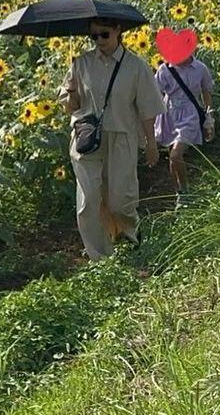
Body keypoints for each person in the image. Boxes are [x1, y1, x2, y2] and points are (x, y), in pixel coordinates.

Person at [59, 18, 165, 260]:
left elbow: (147, 108)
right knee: (88, 201)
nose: (98, 41)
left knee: (120, 201)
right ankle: (100, 257)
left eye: (104, 35)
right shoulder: (81, 64)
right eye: (93, 36)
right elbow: (70, 104)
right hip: (86, 138)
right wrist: (71, 94)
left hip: (122, 137)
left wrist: (151, 144)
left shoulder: (136, 66)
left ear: (118, 31)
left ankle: (130, 234)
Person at [154, 52, 214, 202]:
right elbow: (154, 92)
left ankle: (185, 191)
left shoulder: (200, 68)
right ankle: (178, 193)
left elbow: (206, 94)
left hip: (189, 115)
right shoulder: (165, 69)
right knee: (172, 156)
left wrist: (209, 118)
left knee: (175, 154)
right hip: (169, 114)